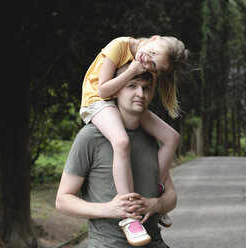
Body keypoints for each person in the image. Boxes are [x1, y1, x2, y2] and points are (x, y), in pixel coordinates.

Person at [79, 35, 188, 243]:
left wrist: (148, 76)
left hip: (117, 98)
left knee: (172, 137)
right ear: (154, 38)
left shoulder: (149, 66)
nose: (148, 61)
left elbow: (145, 99)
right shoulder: (119, 45)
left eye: (154, 64)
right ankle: (129, 217)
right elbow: (102, 89)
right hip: (96, 101)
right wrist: (132, 71)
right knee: (121, 142)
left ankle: (156, 188)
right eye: (152, 53)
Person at [56, 63, 177, 247]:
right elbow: (62, 200)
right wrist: (108, 208)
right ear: (116, 91)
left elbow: (170, 196)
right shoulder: (90, 137)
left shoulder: (153, 137)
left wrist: (156, 205)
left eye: (145, 88)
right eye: (132, 86)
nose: (140, 94)